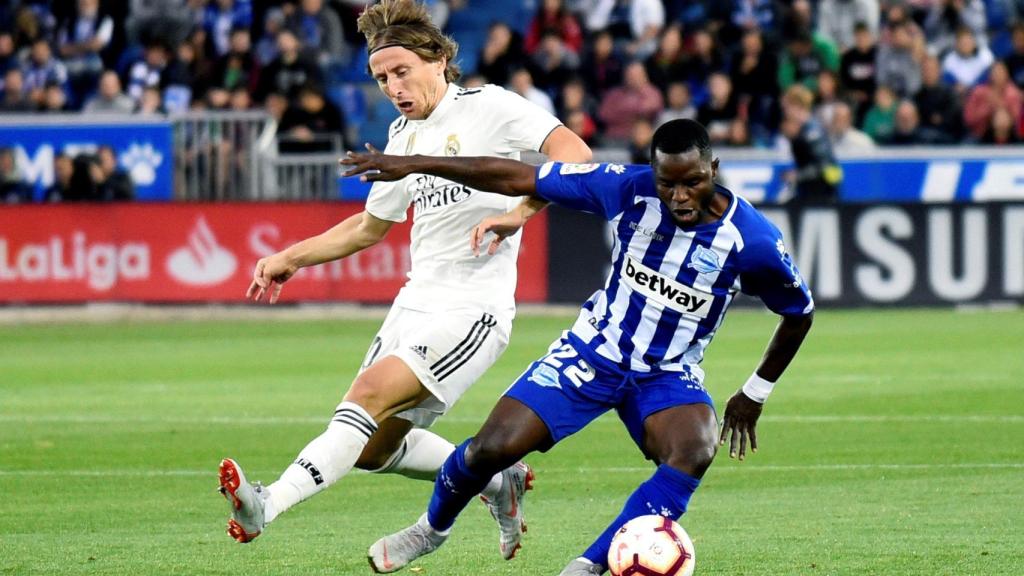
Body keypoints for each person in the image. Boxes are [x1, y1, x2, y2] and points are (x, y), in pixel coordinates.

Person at [341, 118, 814, 575]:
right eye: (668, 183)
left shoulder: (752, 241)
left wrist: (754, 392)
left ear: (713, 169)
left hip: (667, 372)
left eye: (692, 181)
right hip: (591, 351)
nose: (680, 196)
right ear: (654, 173)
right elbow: (519, 175)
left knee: (694, 448)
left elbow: (799, 313)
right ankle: (430, 529)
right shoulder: (628, 188)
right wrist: (418, 162)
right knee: (490, 449)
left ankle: (588, 566)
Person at [217, 0, 592, 562]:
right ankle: (497, 482)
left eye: (401, 72)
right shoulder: (401, 135)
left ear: (439, 60)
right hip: (413, 304)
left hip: (473, 311)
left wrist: (520, 212)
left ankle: (265, 505)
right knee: (370, 448)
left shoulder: (489, 107)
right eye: (381, 78)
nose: (393, 86)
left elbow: (575, 154)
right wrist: (292, 256)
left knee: (365, 397)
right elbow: (370, 227)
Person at [780, 84, 842, 204]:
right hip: (810, 192)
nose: (785, 112)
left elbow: (823, 165)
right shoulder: (802, 130)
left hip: (822, 194)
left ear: (797, 106)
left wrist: (797, 176)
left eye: (786, 107)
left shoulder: (813, 131)